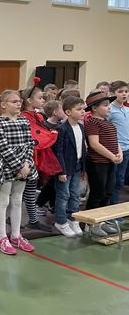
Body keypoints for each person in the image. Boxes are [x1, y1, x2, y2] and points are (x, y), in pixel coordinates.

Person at [0, 90, 37, 255]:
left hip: (24, 165)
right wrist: (18, 166)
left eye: (19, 101)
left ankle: (16, 235)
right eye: (14, 101)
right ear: (3, 105)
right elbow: (2, 146)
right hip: (7, 165)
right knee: (4, 201)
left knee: (17, 200)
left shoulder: (24, 120)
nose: (18, 103)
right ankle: (1, 237)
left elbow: (30, 143)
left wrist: (26, 164)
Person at [20, 81, 60, 232]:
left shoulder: (38, 116)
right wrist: (50, 136)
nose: (43, 100)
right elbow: (35, 136)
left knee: (29, 188)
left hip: (36, 154)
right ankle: (16, 217)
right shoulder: (25, 117)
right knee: (19, 191)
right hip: (27, 156)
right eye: (40, 98)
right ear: (29, 100)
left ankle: (32, 219)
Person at [84, 90, 123, 236]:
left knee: (108, 193)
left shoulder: (108, 123)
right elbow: (94, 144)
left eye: (109, 105)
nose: (109, 107)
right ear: (94, 108)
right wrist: (112, 156)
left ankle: (102, 221)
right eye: (105, 105)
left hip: (110, 162)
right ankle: (91, 224)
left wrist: (119, 153)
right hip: (98, 164)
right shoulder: (92, 123)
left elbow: (115, 140)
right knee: (97, 193)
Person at [52, 96, 87, 237]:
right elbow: (58, 152)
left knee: (75, 194)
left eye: (83, 109)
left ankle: (73, 219)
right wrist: (61, 171)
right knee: (63, 195)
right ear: (68, 112)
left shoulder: (81, 127)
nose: (83, 112)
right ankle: (61, 221)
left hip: (77, 166)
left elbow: (82, 148)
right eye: (79, 109)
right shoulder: (62, 129)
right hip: (65, 168)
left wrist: (83, 168)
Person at [108, 81, 129, 206]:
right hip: (115, 149)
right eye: (120, 92)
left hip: (127, 148)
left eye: (126, 91)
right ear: (112, 93)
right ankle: (110, 205)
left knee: (120, 180)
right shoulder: (109, 109)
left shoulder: (127, 109)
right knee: (114, 180)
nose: (124, 94)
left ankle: (114, 205)